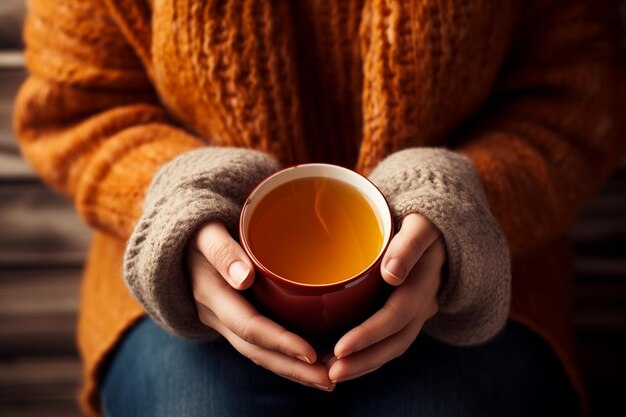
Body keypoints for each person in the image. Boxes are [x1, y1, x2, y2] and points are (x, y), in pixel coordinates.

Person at [13, 0, 625, 416]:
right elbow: (77, 109)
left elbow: (578, 103)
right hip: (185, 286)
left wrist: (463, 204)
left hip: (475, 277)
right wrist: (179, 203)